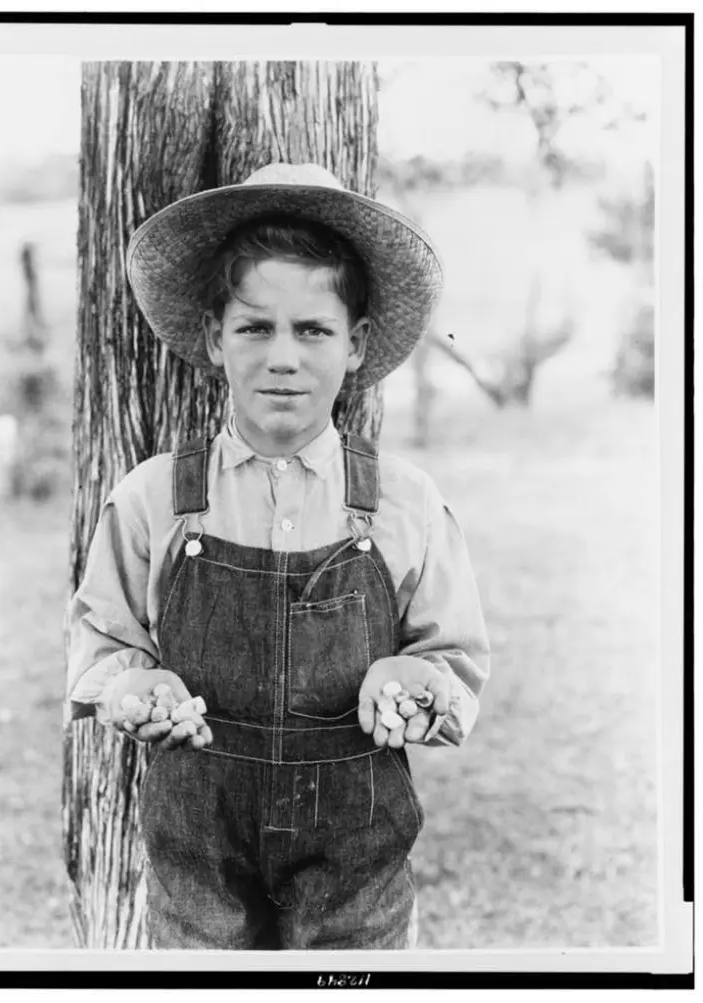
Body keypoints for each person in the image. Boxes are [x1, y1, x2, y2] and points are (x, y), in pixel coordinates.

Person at [66, 162, 490, 950]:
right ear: (213, 339)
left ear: (356, 344)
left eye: (314, 329)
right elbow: (103, 647)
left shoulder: (405, 503)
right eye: (255, 327)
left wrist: (411, 679)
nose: (283, 356)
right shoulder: (154, 499)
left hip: (354, 867)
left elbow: (453, 661)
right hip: (201, 865)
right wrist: (136, 684)